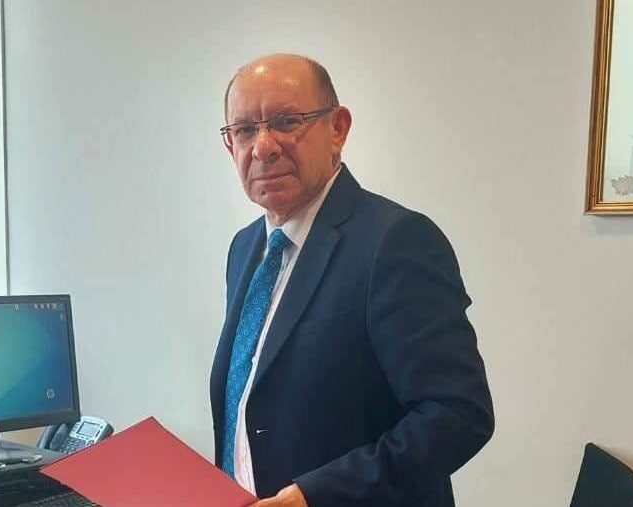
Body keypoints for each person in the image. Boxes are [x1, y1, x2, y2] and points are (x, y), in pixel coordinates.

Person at [210, 53, 494, 507]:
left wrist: (314, 496)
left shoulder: (395, 241)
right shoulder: (245, 248)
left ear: (337, 128)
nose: (263, 147)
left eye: (285, 122)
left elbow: (458, 414)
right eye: (244, 130)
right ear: (230, 146)